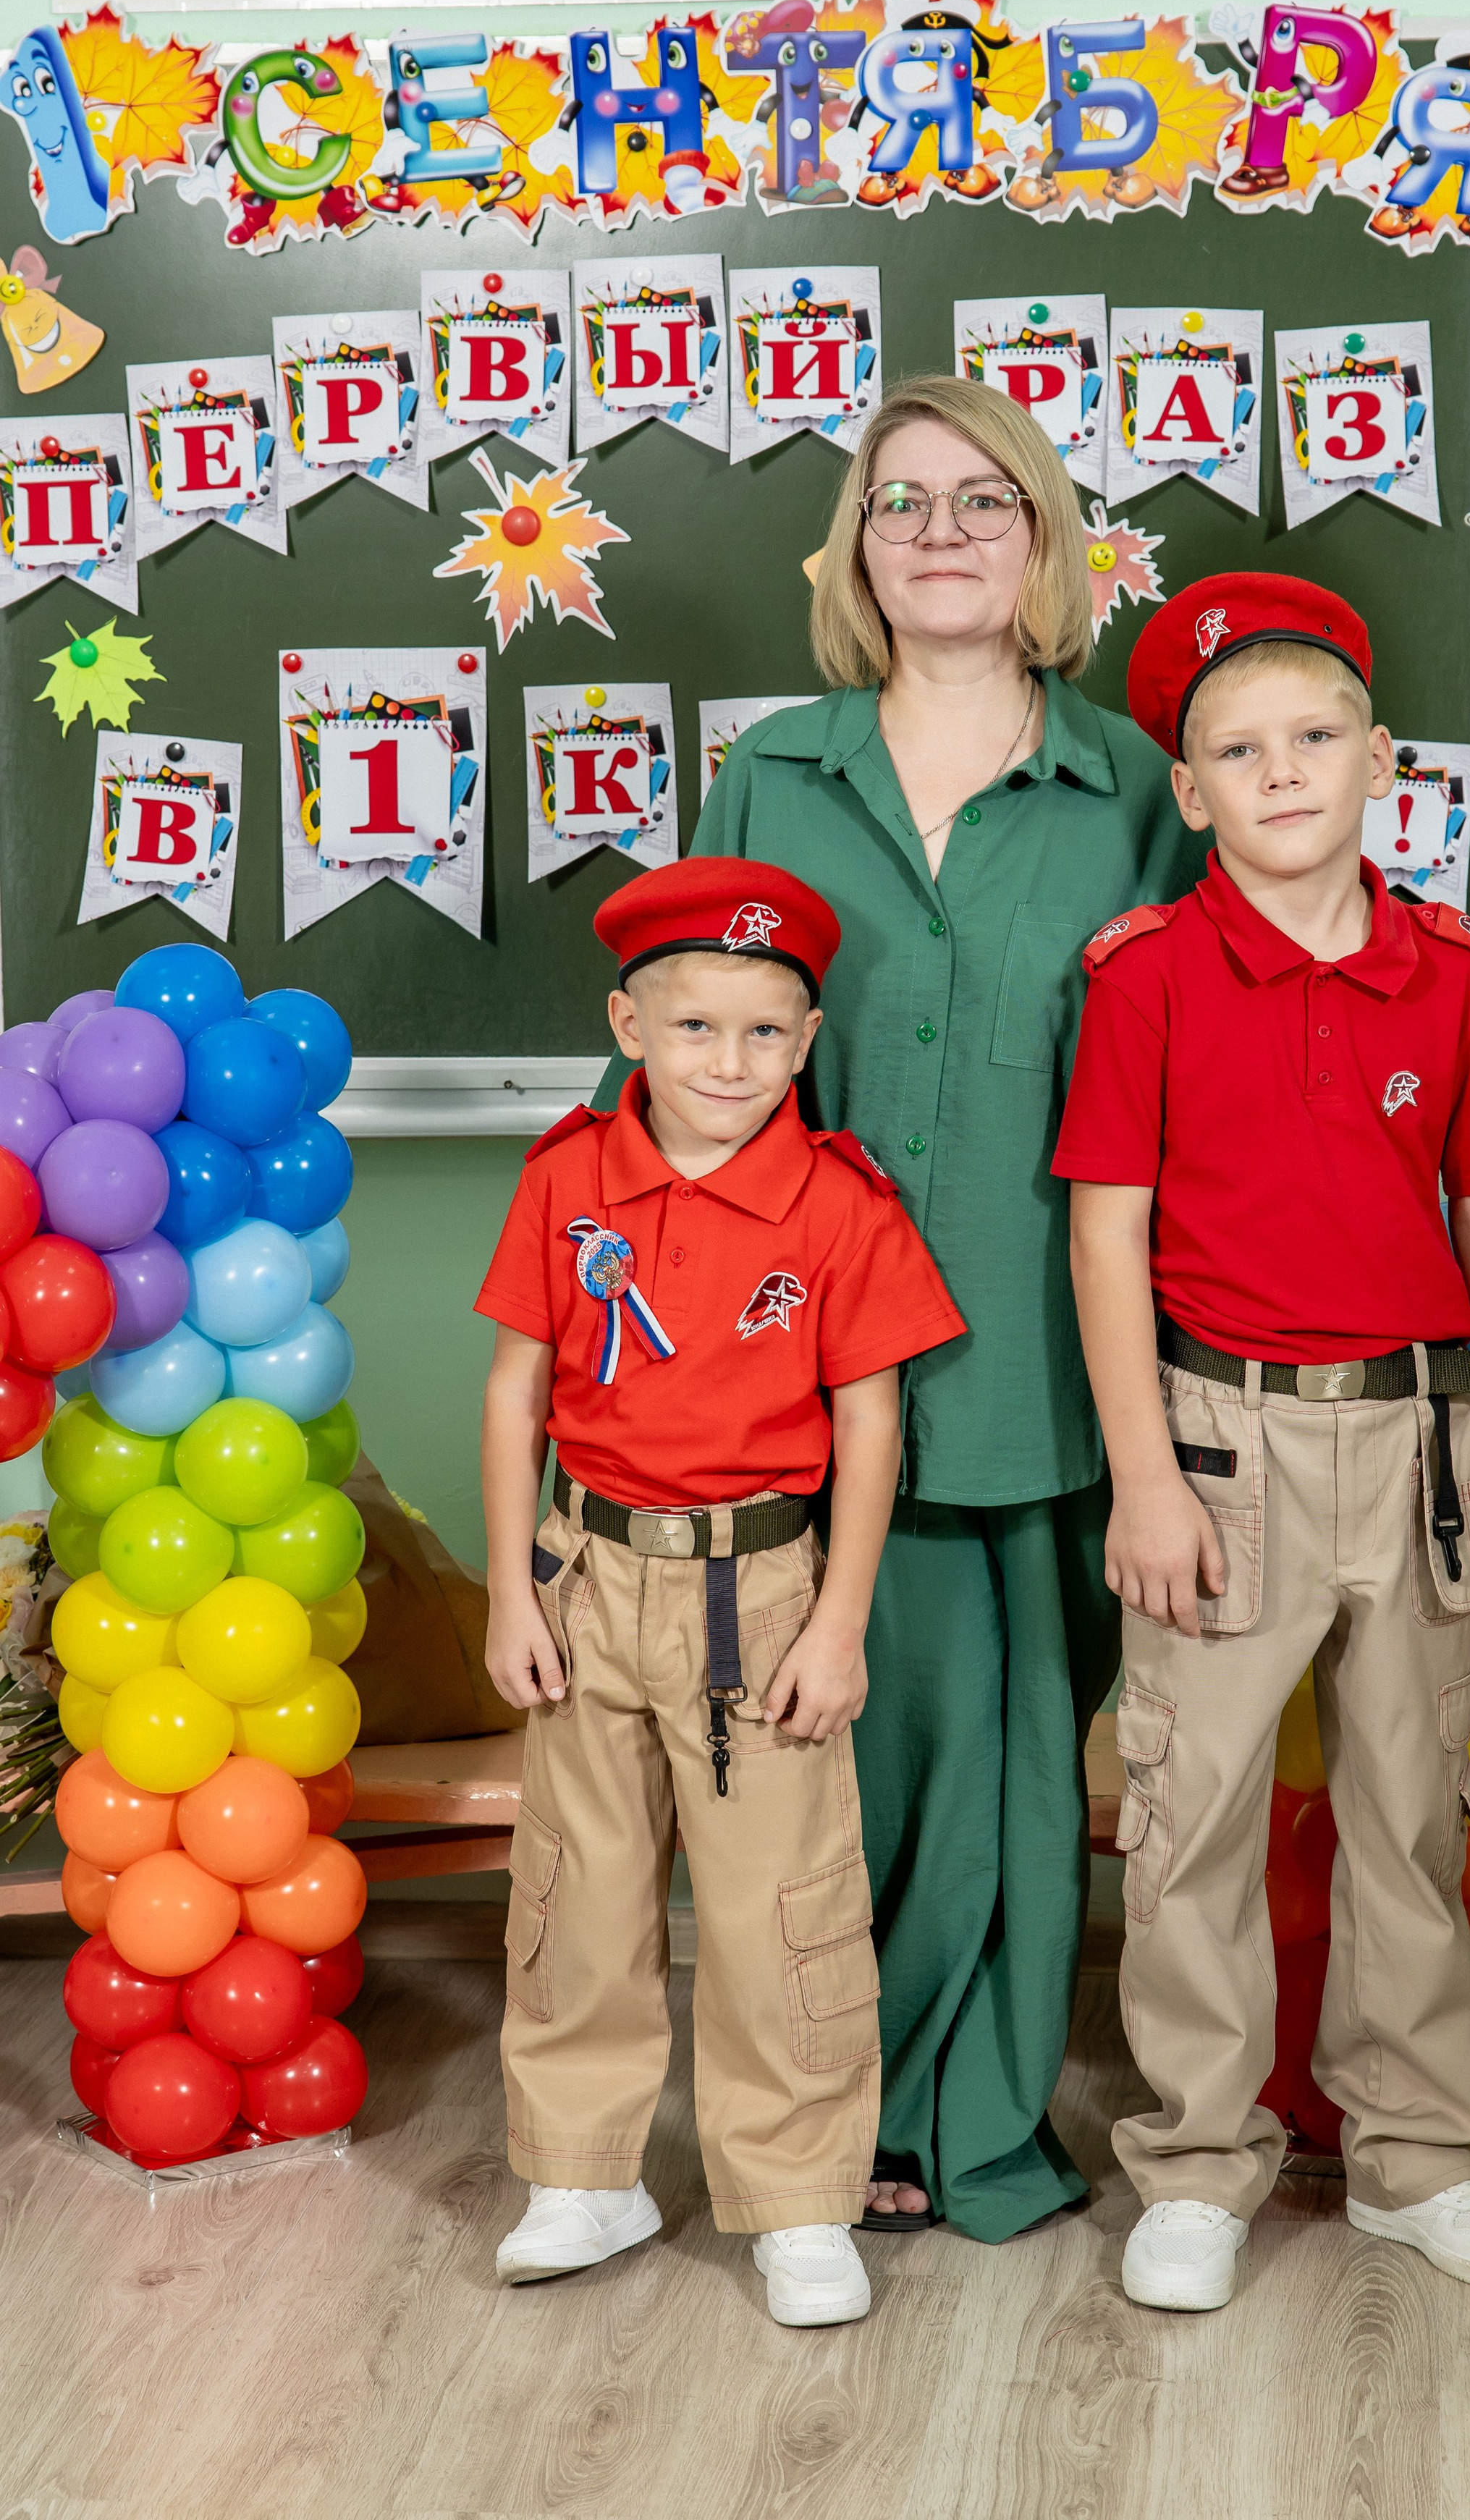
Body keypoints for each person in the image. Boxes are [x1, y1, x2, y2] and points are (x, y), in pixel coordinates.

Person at [596, 376, 1199, 2239]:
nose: (936, 533)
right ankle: (820, 2125)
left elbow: (1199, 1060)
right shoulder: (773, 769)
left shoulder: (1127, 788)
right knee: (822, 1756)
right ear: (854, 547)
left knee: (1017, 1761)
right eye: (896, 503)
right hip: (787, 1355)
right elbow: (696, 1063)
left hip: (1046, 1336)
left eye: (980, 501)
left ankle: (966, 2124)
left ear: (1042, 542)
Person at [1055, 572, 1470, 2311]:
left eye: (1313, 737)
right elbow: (1104, 1235)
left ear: (1377, 760)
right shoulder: (1144, 978)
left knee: (1407, 1807)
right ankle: (1197, 2163)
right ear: (1186, 790)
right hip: (1215, 1440)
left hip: (1416, 1430)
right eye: (1233, 751)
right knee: (1187, 1816)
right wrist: (1139, 1473)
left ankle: (1415, 2155)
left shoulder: (1450, 974)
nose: (1280, 773)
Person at [477, 858, 964, 2325]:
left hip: (755, 1591)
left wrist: (836, 1620)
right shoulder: (565, 1177)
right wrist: (512, 1589)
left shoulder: (836, 1200)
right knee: (578, 1885)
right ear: (628, 1025)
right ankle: (584, 2171)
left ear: (806, 1040)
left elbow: (873, 1420)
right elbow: (518, 1394)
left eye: (764, 1033)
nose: (728, 1063)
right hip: (584, 1574)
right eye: (694, 1028)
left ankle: (797, 2194)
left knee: (778, 1907)